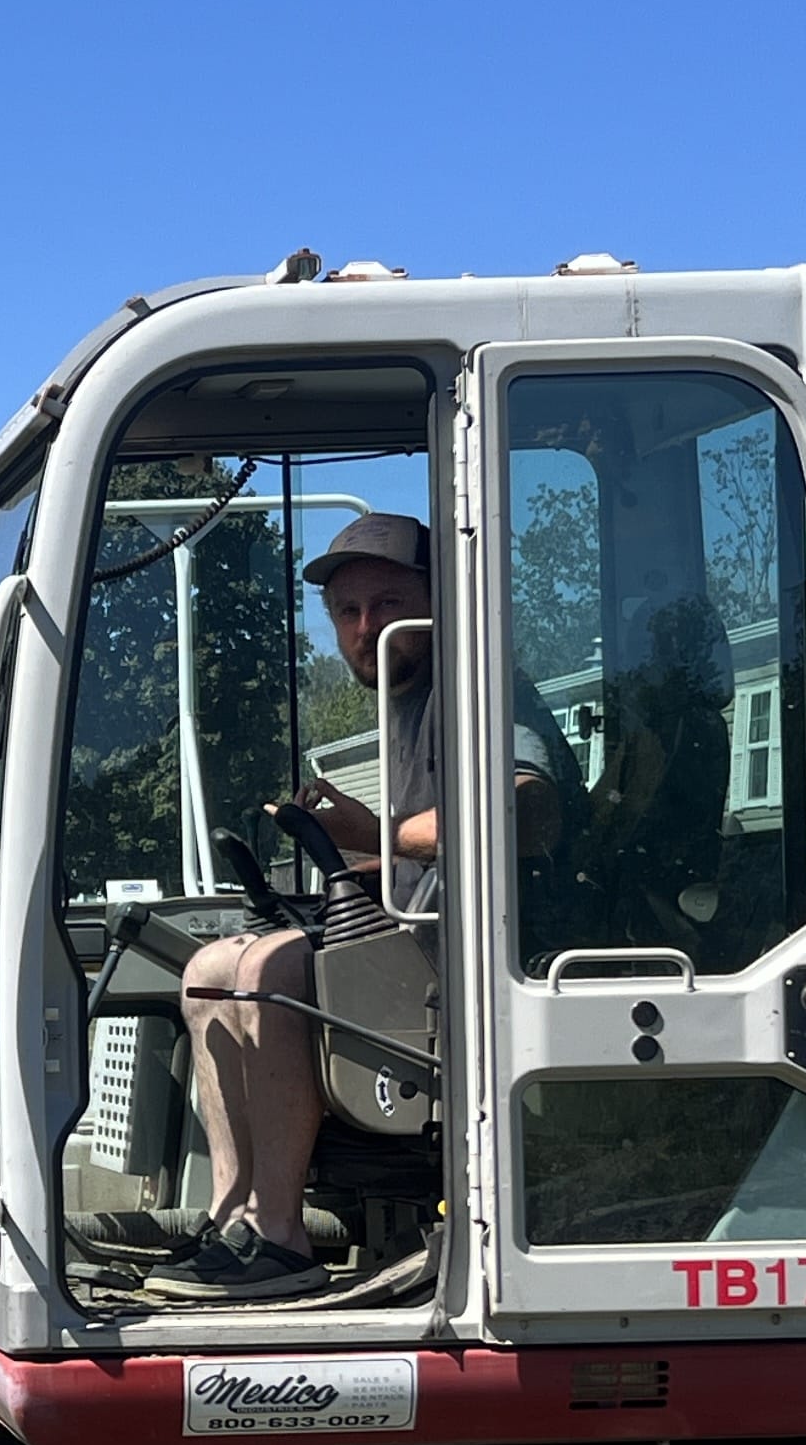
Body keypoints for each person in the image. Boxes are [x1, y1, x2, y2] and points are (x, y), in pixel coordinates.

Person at [170, 512, 568, 1297]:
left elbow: (527, 808)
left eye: (387, 604)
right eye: (348, 613)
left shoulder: (481, 689)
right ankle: (236, 1217)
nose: (365, 628)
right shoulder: (403, 702)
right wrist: (350, 848)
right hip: (412, 942)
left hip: (475, 962)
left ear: (438, 599)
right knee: (211, 971)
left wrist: (375, 833)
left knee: (271, 972)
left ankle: (284, 1239)